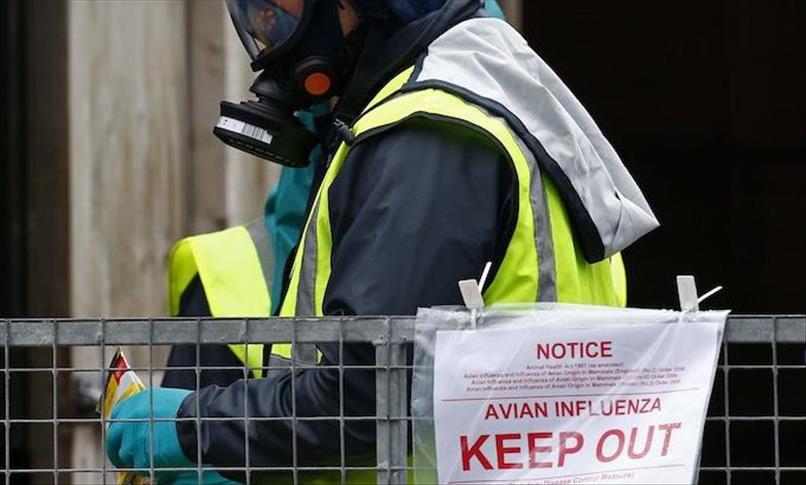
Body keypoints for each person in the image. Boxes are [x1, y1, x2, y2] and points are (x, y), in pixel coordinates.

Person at [107, 0, 658, 483]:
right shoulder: (478, 98)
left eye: (286, 2)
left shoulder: (429, 137)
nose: (266, 23)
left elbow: (365, 399)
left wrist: (187, 427)